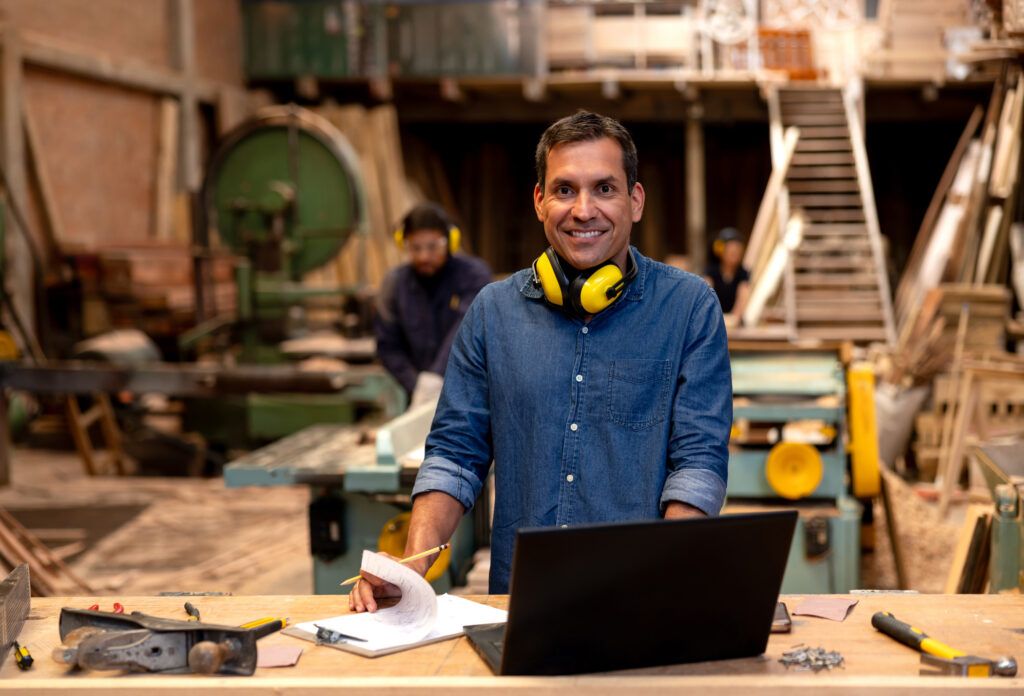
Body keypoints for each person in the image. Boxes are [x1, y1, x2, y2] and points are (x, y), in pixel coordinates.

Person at [352, 111, 731, 610]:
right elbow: (454, 454)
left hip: (644, 596)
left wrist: (658, 572)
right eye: (565, 190)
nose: (584, 209)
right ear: (539, 201)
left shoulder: (688, 308)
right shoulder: (492, 311)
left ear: (635, 201)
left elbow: (698, 461)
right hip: (522, 597)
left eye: (605, 189)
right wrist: (414, 562)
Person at [374, 202, 492, 407]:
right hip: (419, 397)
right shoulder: (394, 284)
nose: (423, 256)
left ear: (450, 242)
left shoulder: (474, 276)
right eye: (415, 248)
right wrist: (417, 385)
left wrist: (437, 377)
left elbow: (466, 330)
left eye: (432, 246)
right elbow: (387, 346)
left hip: (470, 396)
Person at [703, 227, 751, 323]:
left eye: (737, 251)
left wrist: (734, 319)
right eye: (731, 251)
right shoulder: (711, 273)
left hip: (734, 323)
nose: (735, 253)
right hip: (714, 321)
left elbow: (742, 300)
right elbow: (706, 301)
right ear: (720, 251)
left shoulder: (743, 274)